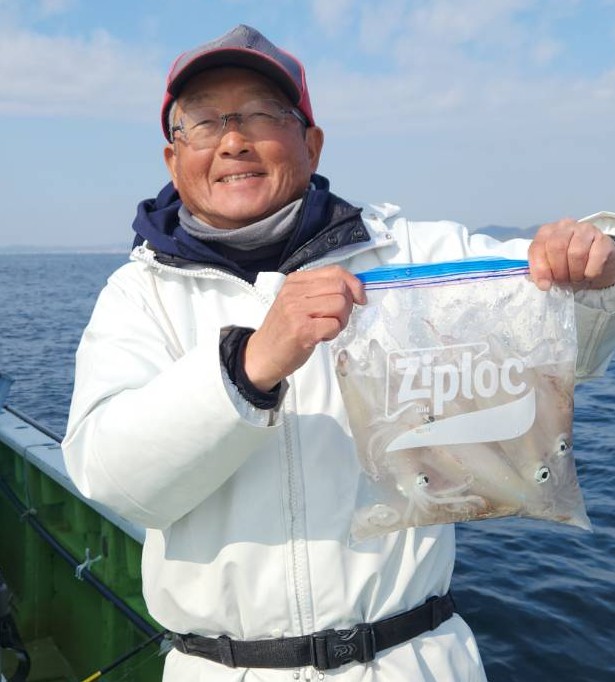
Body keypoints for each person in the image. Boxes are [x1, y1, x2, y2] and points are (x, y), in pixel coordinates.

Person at [62, 24, 615, 681]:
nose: (233, 140)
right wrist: (249, 366)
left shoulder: (413, 256)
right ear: (172, 158)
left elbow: (565, 344)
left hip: (413, 657)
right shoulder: (137, 296)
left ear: (312, 142)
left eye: (261, 115)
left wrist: (590, 265)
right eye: (204, 122)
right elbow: (116, 481)